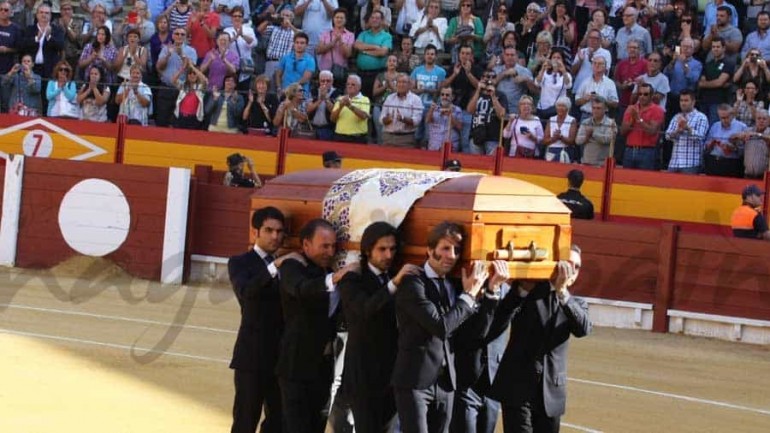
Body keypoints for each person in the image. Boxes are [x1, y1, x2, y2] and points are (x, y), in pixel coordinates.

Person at [391, 221, 503, 433]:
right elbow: (441, 327)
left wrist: (491, 292)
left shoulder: (455, 285)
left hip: (446, 382)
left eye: (457, 250)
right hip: (415, 382)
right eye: (445, 248)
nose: (451, 255)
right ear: (430, 250)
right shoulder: (413, 284)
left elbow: (472, 334)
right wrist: (469, 296)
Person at [488, 245, 590, 433]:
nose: (572, 270)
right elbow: (498, 322)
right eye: (569, 264)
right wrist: (520, 291)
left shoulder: (576, 303)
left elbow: (583, 329)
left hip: (551, 390)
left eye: (577, 267)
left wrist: (562, 293)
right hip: (518, 387)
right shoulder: (527, 290)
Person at [276, 218, 358, 433]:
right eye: (324, 246)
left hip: (323, 366)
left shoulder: (327, 270)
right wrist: (336, 277)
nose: (330, 252)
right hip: (295, 366)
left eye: (333, 246)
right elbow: (300, 289)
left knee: (317, 426)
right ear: (305, 245)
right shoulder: (293, 266)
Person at [338, 222, 420, 433]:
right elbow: (364, 309)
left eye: (392, 249)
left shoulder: (399, 276)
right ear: (367, 251)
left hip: (393, 375)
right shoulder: (352, 279)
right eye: (382, 249)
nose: (388, 255)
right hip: (363, 377)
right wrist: (394, 283)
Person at [227, 206, 285, 433]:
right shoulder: (239, 262)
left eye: (280, 232)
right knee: (245, 418)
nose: (275, 236)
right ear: (255, 233)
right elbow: (246, 292)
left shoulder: (289, 264)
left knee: (277, 420)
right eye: (269, 230)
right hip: (251, 356)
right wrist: (274, 267)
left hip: (281, 356)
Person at [620, 82, 664, 170]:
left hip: (647, 151)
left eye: (645, 94)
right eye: (640, 94)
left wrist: (639, 119)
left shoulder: (657, 110)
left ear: (651, 96)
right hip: (629, 149)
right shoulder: (631, 108)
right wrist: (632, 120)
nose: (642, 96)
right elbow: (622, 132)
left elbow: (652, 131)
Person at [664, 89, 708, 174]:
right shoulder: (676, 117)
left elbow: (701, 137)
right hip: (674, 162)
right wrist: (678, 131)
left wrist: (687, 128)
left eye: (686, 100)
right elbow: (667, 136)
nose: (683, 103)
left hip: (691, 163)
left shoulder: (701, 117)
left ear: (693, 102)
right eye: (681, 100)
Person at [354, 10, 392, 100]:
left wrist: (365, 51)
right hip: (361, 73)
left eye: (377, 18)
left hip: (377, 74)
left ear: (382, 21)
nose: (374, 20)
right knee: (360, 100)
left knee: (375, 100)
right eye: (372, 18)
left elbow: (383, 52)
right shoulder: (363, 34)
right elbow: (357, 45)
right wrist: (375, 47)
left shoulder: (386, 36)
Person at [468, 71, 508, 155]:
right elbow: (470, 110)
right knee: (476, 164)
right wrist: (478, 90)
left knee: (491, 164)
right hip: (476, 135)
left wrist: (493, 96)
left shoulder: (501, 95)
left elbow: (501, 115)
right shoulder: (476, 94)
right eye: (486, 76)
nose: (489, 79)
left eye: (493, 77)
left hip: (493, 136)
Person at [381, 73, 423, 148]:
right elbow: (381, 119)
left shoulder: (416, 99)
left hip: (406, 139)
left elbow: (416, 121)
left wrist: (402, 119)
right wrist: (387, 119)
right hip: (388, 137)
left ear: (409, 85)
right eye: (399, 82)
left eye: (404, 82)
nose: (401, 84)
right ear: (396, 84)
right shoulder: (390, 98)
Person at [704, 104, 746, 177]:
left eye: (726, 118)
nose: (723, 120)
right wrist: (710, 144)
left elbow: (744, 151)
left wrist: (733, 148)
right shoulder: (715, 126)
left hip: (732, 164)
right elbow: (706, 146)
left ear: (732, 115)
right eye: (721, 118)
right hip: (714, 162)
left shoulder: (741, 127)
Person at [576, 96, 616, 166]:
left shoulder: (611, 123)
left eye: (598, 108)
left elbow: (609, 139)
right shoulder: (585, 122)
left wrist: (593, 134)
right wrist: (587, 137)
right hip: (586, 161)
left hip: (602, 164)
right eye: (593, 108)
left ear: (605, 109)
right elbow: (578, 140)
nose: (595, 110)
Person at [331, 74, 370, 144]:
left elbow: (364, 116)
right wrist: (340, 107)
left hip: (357, 138)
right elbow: (332, 119)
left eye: (353, 84)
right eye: (348, 84)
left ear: (359, 87)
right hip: (340, 137)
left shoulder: (365, 99)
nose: (349, 86)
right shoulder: (340, 99)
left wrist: (350, 106)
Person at [172, 61, 208, 129]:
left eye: (194, 73)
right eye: (190, 73)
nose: (192, 75)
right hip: (180, 117)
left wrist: (192, 67)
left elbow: (204, 80)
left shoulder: (200, 87)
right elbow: (173, 80)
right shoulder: (183, 86)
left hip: (193, 119)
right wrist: (183, 68)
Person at [542, 97, 578, 163]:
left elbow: (572, 141)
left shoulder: (572, 120)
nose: (560, 108)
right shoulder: (551, 119)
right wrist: (554, 138)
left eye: (563, 106)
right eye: (559, 106)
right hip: (551, 151)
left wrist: (561, 137)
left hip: (566, 151)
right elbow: (544, 141)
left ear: (567, 108)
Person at [426, 85, 462, 151]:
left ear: (452, 97)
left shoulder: (457, 110)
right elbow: (427, 121)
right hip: (434, 146)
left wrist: (450, 116)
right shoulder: (434, 108)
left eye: (447, 95)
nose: (444, 97)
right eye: (442, 95)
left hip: (450, 147)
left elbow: (460, 127)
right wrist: (431, 110)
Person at [306, 70, 339, 141]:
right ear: (319, 81)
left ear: (332, 81)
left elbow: (334, 111)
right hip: (312, 127)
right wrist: (320, 99)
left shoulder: (337, 93)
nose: (325, 83)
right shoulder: (313, 91)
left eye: (328, 81)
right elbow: (308, 110)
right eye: (322, 81)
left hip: (328, 129)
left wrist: (326, 99)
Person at [741, 109, 770, 179]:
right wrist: (742, 136)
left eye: (764, 119)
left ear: (769, 121)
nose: (761, 121)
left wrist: (758, 134)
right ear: (755, 120)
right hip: (747, 175)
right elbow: (732, 137)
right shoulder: (748, 130)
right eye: (759, 118)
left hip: (764, 178)